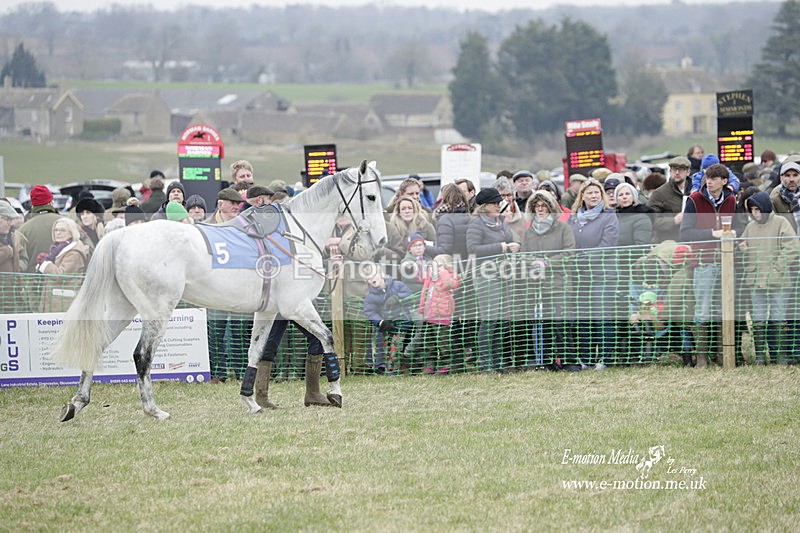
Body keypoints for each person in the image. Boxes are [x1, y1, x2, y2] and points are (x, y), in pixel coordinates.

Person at [679, 163, 737, 368]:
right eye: (707, 178)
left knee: (725, 309)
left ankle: (723, 353)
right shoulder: (694, 200)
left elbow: (737, 226)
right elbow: (684, 233)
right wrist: (711, 233)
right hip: (703, 263)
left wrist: (737, 236)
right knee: (702, 310)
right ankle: (702, 356)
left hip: (727, 262)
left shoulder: (731, 200)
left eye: (713, 178)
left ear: (724, 181)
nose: (709, 182)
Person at [739, 191, 800, 364]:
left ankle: (779, 356)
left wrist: (777, 269)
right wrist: (742, 246)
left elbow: (793, 248)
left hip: (779, 280)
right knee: (757, 319)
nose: (755, 213)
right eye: (752, 210)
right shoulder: (750, 226)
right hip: (756, 280)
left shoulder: (781, 222)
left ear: (765, 208)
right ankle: (759, 357)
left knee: (778, 318)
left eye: (757, 209)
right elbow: (743, 243)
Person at [568, 178, 619, 371]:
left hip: (602, 275)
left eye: (597, 192)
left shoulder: (609, 215)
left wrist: (582, 258)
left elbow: (608, 245)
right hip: (580, 277)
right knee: (583, 318)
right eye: (589, 192)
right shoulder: (574, 218)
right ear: (582, 196)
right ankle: (586, 358)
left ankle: (604, 358)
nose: (593, 195)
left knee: (601, 316)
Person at [467, 187, 520, 372]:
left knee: (501, 320)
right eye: (495, 203)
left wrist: (515, 246)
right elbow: (472, 248)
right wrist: (501, 247)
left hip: (503, 274)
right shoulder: (476, 224)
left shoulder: (500, 222)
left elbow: (510, 240)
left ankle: (499, 362)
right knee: (489, 319)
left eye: (499, 203)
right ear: (484, 206)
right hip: (485, 276)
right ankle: (485, 363)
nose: (499, 206)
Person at [522, 190, 576, 369]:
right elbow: (524, 255)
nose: (540, 209)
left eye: (544, 206)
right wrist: (533, 262)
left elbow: (569, 253)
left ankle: (569, 362)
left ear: (551, 207)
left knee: (561, 324)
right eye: (536, 206)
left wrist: (547, 263)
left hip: (560, 284)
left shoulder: (563, 228)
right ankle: (546, 362)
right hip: (538, 287)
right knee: (542, 326)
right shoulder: (529, 232)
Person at [403, 254, 461, 374]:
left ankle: (446, 365)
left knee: (443, 342)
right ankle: (430, 365)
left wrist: (444, 271)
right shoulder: (430, 277)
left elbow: (452, 284)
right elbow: (418, 277)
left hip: (441, 316)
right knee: (429, 343)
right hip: (428, 315)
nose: (435, 267)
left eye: (438, 265)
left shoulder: (449, 276)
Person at [363, 264, 415, 374]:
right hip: (385, 326)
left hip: (403, 324)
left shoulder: (398, 285)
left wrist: (397, 297)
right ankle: (381, 367)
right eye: (368, 278)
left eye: (373, 275)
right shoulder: (370, 297)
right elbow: (370, 312)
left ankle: (394, 368)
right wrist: (381, 322)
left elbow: (410, 296)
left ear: (382, 274)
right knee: (382, 346)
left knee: (397, 346)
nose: (371, 279)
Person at [35, 217, 87, 312]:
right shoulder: (57, 247)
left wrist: (45, 264)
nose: (58, 233)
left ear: (71, 232)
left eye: (62, 230)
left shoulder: (74, 252)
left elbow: (61, 275)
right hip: (55, 300)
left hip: (64, 303)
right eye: (56, 230)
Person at [18, 185, 62, 273]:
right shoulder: (66, 223)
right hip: (60, 282)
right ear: (50, 202)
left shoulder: (23, 229)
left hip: (32, 282)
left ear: (33, 205)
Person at [649, 156, 691, 243]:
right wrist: (673, 220)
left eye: (681, 169)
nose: (677, 172)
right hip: (669, 244)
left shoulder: (695, 191)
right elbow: (650, 220)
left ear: (688, 172)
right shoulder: (659, 193)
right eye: (674, 169)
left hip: (693, 242)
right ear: (670, 171)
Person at [383, 196, 436, 261]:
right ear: (399, 212)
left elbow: (435, 247)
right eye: (403, 209)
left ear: (415, 210)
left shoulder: (426, 226)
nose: (407, 211)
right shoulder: (393, 228)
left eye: (410, 208)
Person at [769, 160, 800, 233]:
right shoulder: (774, 199)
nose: (791, 179)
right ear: (781, 178)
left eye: (795, 175)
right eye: (787, 175)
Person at [495, 176, 526, 241]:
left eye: (509, 195)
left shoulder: (524, 218)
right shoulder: (490, 218)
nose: (506, 199)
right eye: (502, 195)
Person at [0, 200, 24, 274]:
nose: (10, 224)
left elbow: (16, 270)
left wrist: (20, 285)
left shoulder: (11, 237)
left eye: (11, 220)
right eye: (7, 219)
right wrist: (7, 251)